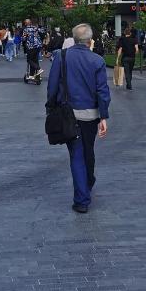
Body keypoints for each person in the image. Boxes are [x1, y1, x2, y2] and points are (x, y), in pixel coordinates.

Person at [47, 24, 110, 214]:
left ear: (74, 39)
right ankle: (87, 182)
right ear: (90, 41)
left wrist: (50, 107)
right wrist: (104, 116)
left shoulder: (62, 57)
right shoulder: (97, 60)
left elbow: (52, 85)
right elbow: (102, 91)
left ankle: (82, 199)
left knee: (76, 154)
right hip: (90, 115)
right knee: (87, 150)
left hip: (68, 114)